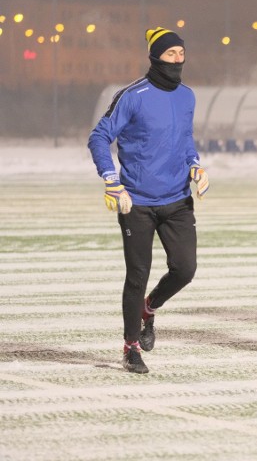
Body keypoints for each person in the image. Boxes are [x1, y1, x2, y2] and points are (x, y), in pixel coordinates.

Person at [88, 27, 209, 374]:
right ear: (155, 57)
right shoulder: (133, 95)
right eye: (170, 54)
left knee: (185, 269)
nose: (177, 60)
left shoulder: (187, 96)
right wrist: (112, 181)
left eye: (181, 54)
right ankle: (130, 347)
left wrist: (195, 165)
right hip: (136, 203)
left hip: (177, 201)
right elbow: (99, 137)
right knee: (137, 274)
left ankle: (150, 308)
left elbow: (185, 139)